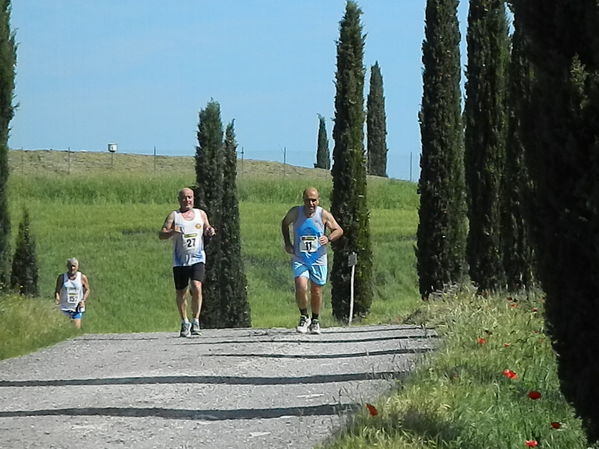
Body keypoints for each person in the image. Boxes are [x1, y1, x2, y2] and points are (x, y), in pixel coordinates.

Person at [281, 187, 343, 334]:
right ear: (303, 200)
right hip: (300, 258)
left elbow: (338, 230)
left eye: (313, 200)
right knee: (301, 286)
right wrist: (288, 243)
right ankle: (304, 316)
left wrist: (328, 238)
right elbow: (284, 223)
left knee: (316, 290)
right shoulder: (296, 212)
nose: (311, 203)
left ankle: (315, 320)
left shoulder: (323, 214)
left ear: (318, 200)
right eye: (308, 200)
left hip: (318, 259)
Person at [159, 187, 216, 337]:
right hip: (180, 261)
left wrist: (209, 230)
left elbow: (206, 227)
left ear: (193, 199)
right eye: (184, 198)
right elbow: (161, 234)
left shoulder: (200, 214)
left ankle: (196, 320)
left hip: (198, 258)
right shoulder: (174, 216)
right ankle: (185, 321)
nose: (187, 200)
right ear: (179, 200)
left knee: (197, 287)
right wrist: (172, 232)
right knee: (181, 292)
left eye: (190, 197)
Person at [54, 257, 91, 330]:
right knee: (63, 330)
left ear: (77, 267)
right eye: (70, 266)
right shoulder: (62, 277)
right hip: (64, 307)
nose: (72, 268)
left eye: (74, 266)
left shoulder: (82, 277)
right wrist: (57, 299)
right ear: (67, 266)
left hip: (77, 307)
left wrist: (83, 300)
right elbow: (57, 290)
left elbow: (87, 289)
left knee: (75, 330)